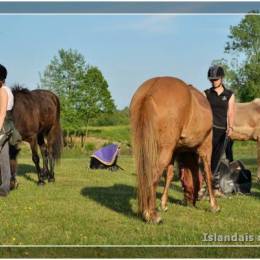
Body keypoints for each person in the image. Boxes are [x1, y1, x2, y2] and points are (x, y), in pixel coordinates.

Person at [204, 65, 235, 196]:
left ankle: (215, 188)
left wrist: (231, 127)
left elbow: (231, 113)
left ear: (221, 78)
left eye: (215, 79)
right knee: (205, 159)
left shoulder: (229, 95)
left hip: (222, 131)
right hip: (208, 130)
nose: (213, 81)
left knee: (216, 159)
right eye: (211, 80)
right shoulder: (206, 93)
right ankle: (202, 187)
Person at [0, 64, 14, 196]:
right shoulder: (6, 89)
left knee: (3, 158)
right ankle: (5, 186)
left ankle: (5, 187)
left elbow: (2, 113)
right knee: (3, 157)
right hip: (6, 126)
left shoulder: (3, 91)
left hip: (3, 127)